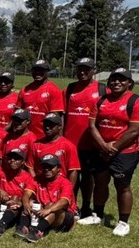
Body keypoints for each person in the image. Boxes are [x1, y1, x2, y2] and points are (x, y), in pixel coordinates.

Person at [80, 68, 139, 236]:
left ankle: (123, 222)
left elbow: (134, 130)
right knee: (100, 182)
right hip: (102, 149)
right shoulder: (101, 100)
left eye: (122, 80)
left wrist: (113, 148)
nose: (116, 82)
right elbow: (92, 126)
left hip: (125, 151)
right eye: (113, 79)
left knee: (122, 186)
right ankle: (98, 215)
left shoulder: (135, 101)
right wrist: (103, 146)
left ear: (129, 83)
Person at [63, 57, 104, 219]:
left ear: (94, 70)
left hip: (91, 143)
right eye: (79, 68)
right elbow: (63, 115)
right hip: (70, 142)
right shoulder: (70, 88)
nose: (82, 72)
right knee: (70, 176)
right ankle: (70, 204)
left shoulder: (101, 89)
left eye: (86, 69)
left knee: (88, 177)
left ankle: (86, 207)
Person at [19, 154, 77, 242]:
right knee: (29, 202)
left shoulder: (65, 182)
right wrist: (26, 203)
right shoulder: (37, 179)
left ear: (58, 168)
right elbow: (26, 193)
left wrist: (48, 210)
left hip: (64, 217)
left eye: (51, 167)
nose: (47, 169)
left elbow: (64, 201)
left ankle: (37, 231)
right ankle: (23, 228)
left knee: (51, 206)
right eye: (44, 166)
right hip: (44, 213)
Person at [0, 148, 34, 235]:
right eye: (10, 158)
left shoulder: (28, 177)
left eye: (16, 159)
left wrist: (18, 201)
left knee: (16, 199)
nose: (12, 160)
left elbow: (29, 197)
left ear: (23, 162)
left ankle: (2, 224)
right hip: (2, 202)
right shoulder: (1, 173)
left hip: (17, 207)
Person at [31, 113, 81, 190]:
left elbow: (73, 171)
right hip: (41, 188)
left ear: (60, 127)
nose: (47, 127)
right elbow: (30, 167)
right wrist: (36, 185)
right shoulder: (35, 145)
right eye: (45, 124)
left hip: (60, 188)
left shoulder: (69, 146)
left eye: (51, 125)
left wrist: (68, 191)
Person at [18, 59, 64, 139]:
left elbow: (58, 119)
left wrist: (58, 139)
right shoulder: (24, 90)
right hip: (25, 137)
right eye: (35, 70)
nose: (38, 72)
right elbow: (18, 115)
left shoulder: (54, 90)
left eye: (41, 70)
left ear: (48, 72)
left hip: (44, 138)